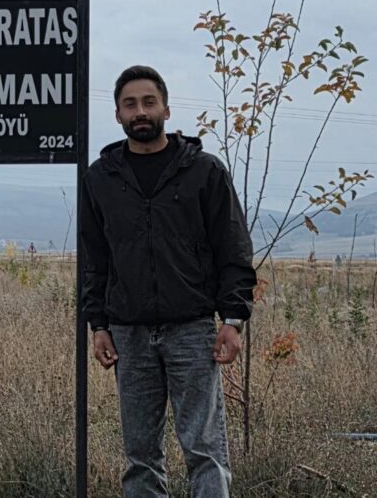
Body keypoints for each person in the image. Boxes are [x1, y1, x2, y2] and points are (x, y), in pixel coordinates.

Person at [80, 65, 256, 497]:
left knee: (205, 451)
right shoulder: (100, 179)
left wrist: (232, 319)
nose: (140, 111)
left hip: (192, 331)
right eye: (130, 104)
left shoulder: (203, 172)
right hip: (128, 333)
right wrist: (98, 324)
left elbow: (233, 249)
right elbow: (94, 259)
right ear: (118, 115)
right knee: (140, 457)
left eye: (148, 102)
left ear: (166, 109)